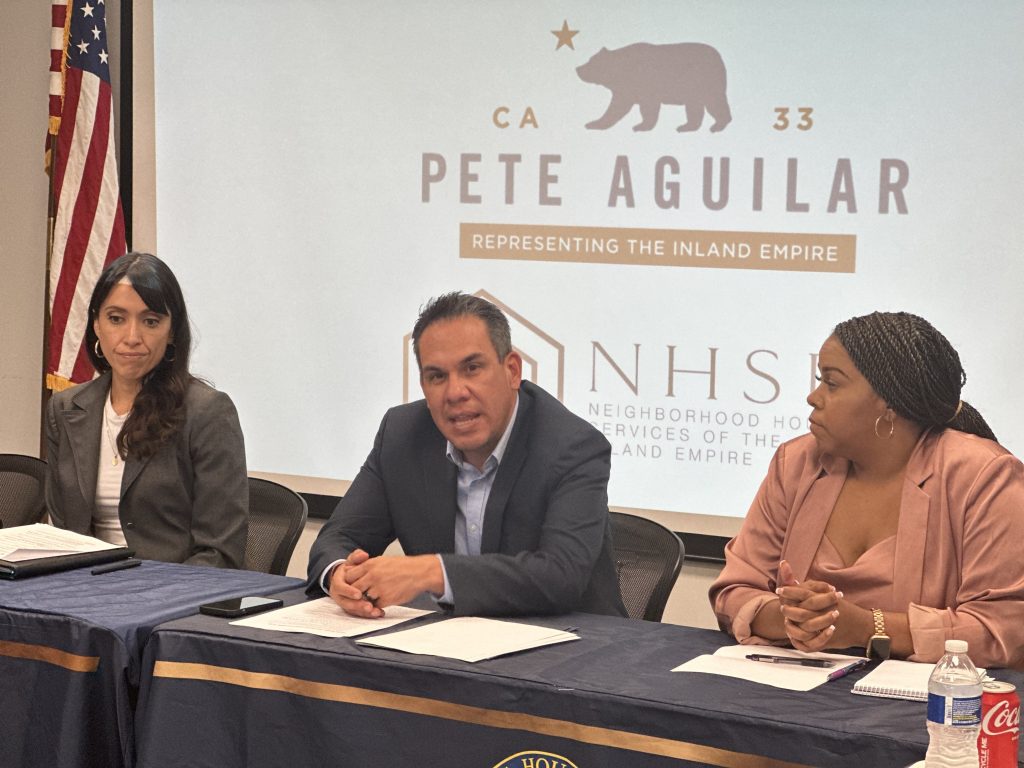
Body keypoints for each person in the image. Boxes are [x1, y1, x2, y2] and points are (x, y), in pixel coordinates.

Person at [709, 311, 1024, 669]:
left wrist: (865, 628)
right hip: (797, 685)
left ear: (888, 403)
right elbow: (735, 590)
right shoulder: (796, 463)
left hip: (929, 696)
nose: (813, 397)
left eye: (832, 383)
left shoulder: (985, 476)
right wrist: (794, 618)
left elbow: (1002, 631)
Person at [306, 292, 626, 618]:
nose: (455, 393)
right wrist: (341, 575)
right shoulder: (402, 435)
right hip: (447, 638)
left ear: (512, 370)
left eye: (472, 368)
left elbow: (559, 576)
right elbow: (339, 537)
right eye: (437, 376)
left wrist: (432, 572)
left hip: (575, 640)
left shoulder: (572, 446)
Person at [45, 252, 248, 568]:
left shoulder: (207, 412)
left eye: (150, 321)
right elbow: (62, 535)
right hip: (83, 588)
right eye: (116, 319)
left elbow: (220, 553)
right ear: (96, 324)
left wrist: (146, 593)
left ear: (172, 330)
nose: (132, 338)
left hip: (174, 592)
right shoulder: (65, 409)